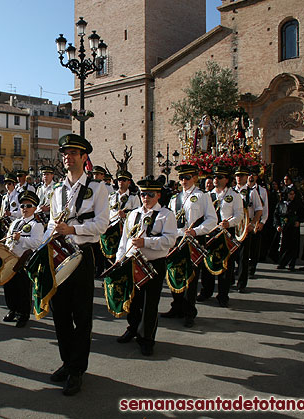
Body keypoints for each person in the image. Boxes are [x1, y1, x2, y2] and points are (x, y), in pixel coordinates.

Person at [46, 134, 109, 396]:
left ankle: (77, 370)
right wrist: (53, 232)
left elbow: (102, 224)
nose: (67, 157)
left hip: (82, 255)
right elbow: (51, 221)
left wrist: (73, 228)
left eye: (73, 153)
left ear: (85, 158)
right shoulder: (57, 190)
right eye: (65, 153)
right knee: (60, 314)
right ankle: (66, 362)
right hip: (59, 255)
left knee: (81, 317)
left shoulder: (97, 188)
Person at [115, 177, 176, 356]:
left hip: (153, 264)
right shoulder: (133, 214)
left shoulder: (166, 214)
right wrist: (120, 260)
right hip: (133, 263)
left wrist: (146, 242)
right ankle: (132, 328)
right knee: (133, 300)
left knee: (150, 303)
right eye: (143, 194)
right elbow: (124, 240)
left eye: (150, 194)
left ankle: (146, 338)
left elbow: (170, 240)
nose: (146, 197)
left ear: (158, 195)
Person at [162, 164, 217, 327]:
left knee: (191, 277)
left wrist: (197, 231)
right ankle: (176, 307)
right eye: (181, 178)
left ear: (194, 178)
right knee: (174, 273)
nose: (183, 181)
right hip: (177, 240)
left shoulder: (202, 196)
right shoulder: (174, 198)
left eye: (187, 177)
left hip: (193, 240)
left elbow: (212, 219)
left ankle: (189, 312)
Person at [197, 165, 243, 307]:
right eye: (214, 177)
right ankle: (207, 291)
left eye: (219, 177)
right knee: (207, 264)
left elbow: (239, 215)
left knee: (225, 265)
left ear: (227, 180)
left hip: (225, 233)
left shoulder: (234, 196)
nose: (215, 179)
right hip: (209, 233)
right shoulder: (207, 195)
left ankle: (223, 295)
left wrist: (228, 223)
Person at [2, 190, 44, 328]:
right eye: (22, 206)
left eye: (28, 206)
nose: (24, 209)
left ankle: (23, 314)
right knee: (9, 287)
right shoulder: (16, 223)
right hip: (11, 259)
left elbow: (37, 243)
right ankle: (12, 309)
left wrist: (21, 239)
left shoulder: (36, 225)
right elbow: (9, 238)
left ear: (35, 208)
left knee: (23, 289)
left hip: (24, 261)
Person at [231, 166, 263, 292]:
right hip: (233, 227)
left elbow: (259, 210)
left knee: (244, 257)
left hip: (245, 227)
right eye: (238, 176)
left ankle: (242, 283)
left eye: (242, 176)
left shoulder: (251, 192)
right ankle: (230, 280)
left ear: (246, 177)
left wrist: (252, 224)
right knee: (231, 255)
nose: (239, 178)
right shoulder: (231, 192)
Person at [274, 187, 304, 271]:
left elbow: (303, 214)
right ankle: (282, 263)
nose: (292, 196)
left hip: (293, 227)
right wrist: (277, 225)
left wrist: (299, 221)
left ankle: (292, 264)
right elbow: (276, 215)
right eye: (290, 194)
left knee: (293, 246)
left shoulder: (298, 203)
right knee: (284, 246)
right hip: (284, 227)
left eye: (293, 194)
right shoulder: (281, 204)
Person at [247, 166, 268, 276]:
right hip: (244, 222)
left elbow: (264, 208)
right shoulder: (242, 189)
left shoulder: (262, 190)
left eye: (253, 175)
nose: (251, 177)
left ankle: (251, 268)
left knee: (254, 246)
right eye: (249, 175)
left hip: (255, 221)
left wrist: (262, 221)